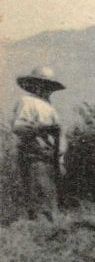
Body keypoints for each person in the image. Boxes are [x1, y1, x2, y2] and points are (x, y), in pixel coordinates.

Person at [11, 66, 66, 215]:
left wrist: (60, 162)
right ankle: (38, 231)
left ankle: (49, 232)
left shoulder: (50, 107)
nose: (46, 88)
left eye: (49, 86)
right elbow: (19, 127)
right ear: (33, 84)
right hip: (35, 157)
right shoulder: (27, 101)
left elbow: (59, 138)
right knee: (40, 201)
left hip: (50, 159)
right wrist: (43, 128)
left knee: (50, 200)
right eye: (42, 84)